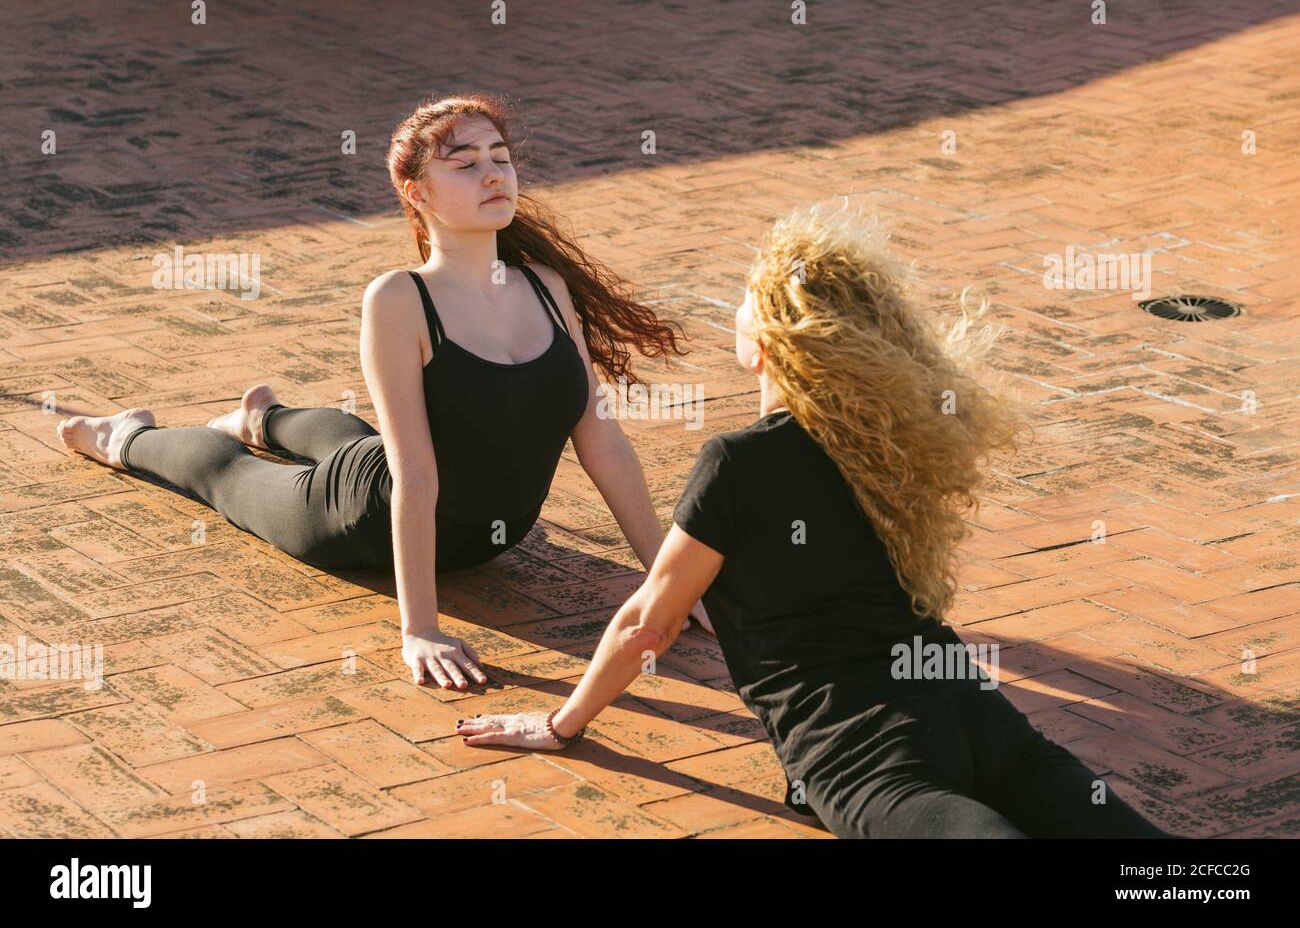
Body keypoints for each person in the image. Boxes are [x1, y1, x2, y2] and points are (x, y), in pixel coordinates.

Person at [456, 199, 1180, 839]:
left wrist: (560, 723)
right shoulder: (895, 438)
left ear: (769, 340)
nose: (733, 308)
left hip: (862, 751)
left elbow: (652, 622)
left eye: (745, 297)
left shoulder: (739, 463)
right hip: (970, 712)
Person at [55, 92, 712, 696]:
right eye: (464, 164)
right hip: (356, 516)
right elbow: (413, 474)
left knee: (354, 435)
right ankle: (125, 436)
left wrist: (668, 584)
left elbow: (601, 439)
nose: (493, 175)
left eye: (501, 159)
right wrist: (419, 628)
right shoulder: (400, 299)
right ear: (416, 191)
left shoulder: (544, 284)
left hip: (480, 535)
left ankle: (265, 416)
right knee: (222, 472)